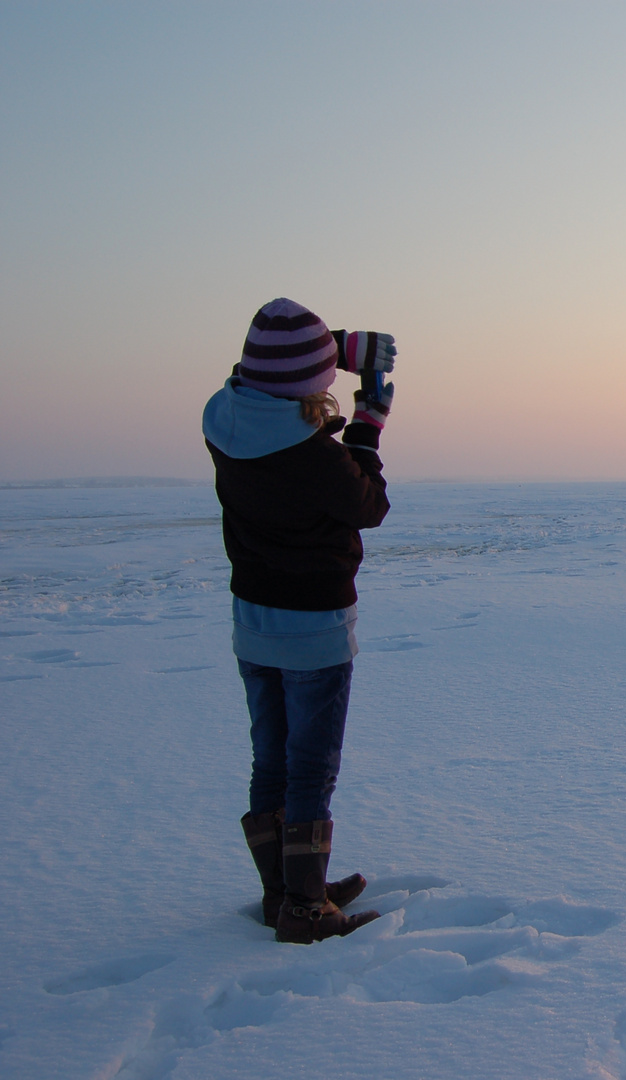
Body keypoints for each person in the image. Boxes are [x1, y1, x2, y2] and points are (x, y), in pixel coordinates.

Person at [201, 297, 397, 944]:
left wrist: (335, 347)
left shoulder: (223, 417)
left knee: (272, 757)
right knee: (311, 765)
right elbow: (367, 505)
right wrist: (366, 428)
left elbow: (270, 369)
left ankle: (283, 889)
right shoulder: (315, 459)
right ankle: (307, 911)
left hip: (252, 618)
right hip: (313, 627)